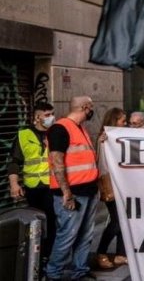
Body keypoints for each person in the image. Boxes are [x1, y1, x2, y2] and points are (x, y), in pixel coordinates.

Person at [45, 96, 99, 281]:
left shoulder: (81, 129)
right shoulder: (60, 128)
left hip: (89, 190)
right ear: (85, 107)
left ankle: (80, 271)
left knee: (85, 235)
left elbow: (86, 159)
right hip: (72, 193)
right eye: (91, 107)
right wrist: (66, 193)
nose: (92, 110)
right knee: (67, 235)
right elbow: (57, 162)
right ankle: (53, 274)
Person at [8, 102, 57, 272]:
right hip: (32, 188)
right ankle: (35, 257)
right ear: (37, 117)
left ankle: (47, 259)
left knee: (52, 222)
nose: (51, 117)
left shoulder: (55, 133)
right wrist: (14, 184)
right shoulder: (23, 135)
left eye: (52, 114)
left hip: (52, 186)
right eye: (47, 115)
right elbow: (14, 162)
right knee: (36, 224)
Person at [95, 108, 128, 269]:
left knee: (123, 220)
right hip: (112, 185)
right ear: (115, 121)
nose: (126, 123)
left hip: (123, 186)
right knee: (116, 221)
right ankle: (101, 252)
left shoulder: (118, 137)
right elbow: (103, 166)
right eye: (123, 120)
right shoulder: (105, 139)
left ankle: (120, 254)